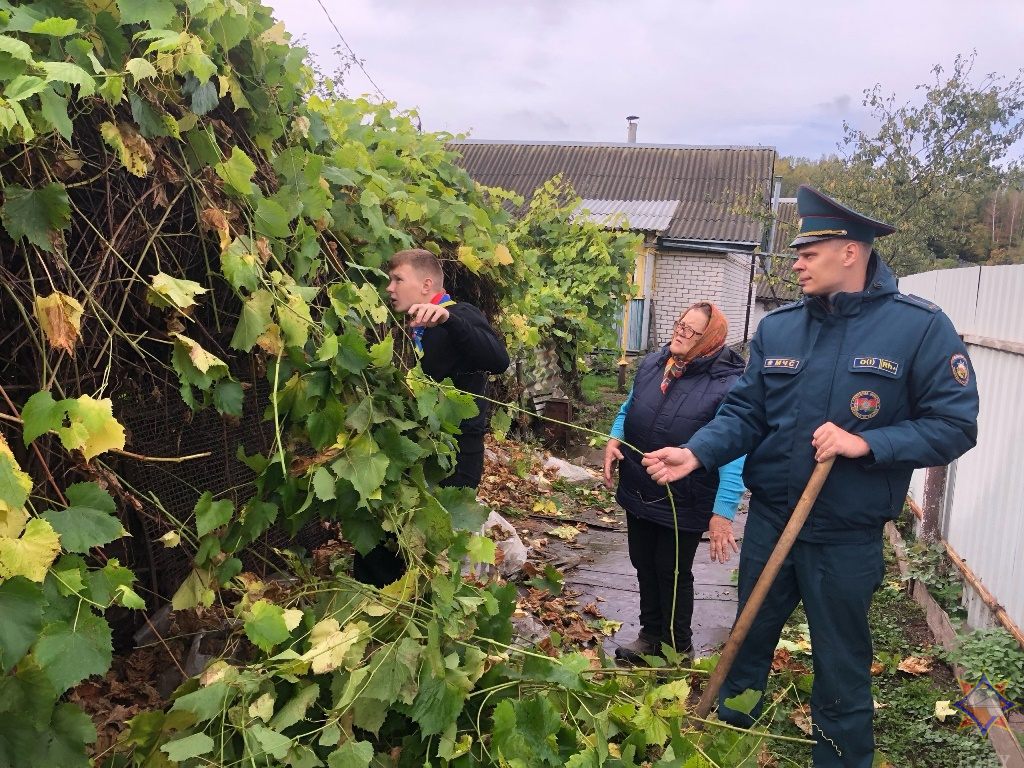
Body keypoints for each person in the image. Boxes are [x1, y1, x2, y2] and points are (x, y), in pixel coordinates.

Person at [642, 186, 979, 767]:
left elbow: (955, 426)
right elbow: (746, 414)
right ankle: (726, 748)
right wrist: (696, 453)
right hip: (773, 521)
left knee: (841, 667)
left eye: (808, 251)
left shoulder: (918, 328)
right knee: (745, 646)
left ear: (850, 252)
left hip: (845, 536)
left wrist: (867, 442)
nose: (795, 262)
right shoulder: (781, 330)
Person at [355, 248, 510, 587]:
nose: (390, 288)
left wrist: (449, 320)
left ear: (426, 285)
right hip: (422, 449)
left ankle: (432, 609)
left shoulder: (461, 313)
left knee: (439, 539)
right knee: (397, 527)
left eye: (398, 280)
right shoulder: (410, 327)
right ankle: (382, 598)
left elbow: (498, 359)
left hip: (457, 455)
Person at [604, 301, 746, 664]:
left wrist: (723, 512)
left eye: (691, 330)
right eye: (680, 324)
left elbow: (735, 447)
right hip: (639, 482)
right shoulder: (656, 363)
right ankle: (650, 636)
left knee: (671, 570)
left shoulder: (728, 383)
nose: (679, 333)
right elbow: (630, 406)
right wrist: (614, 439)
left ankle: (678, 649)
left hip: (683, 495)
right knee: (643, 562)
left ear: (709, 339)